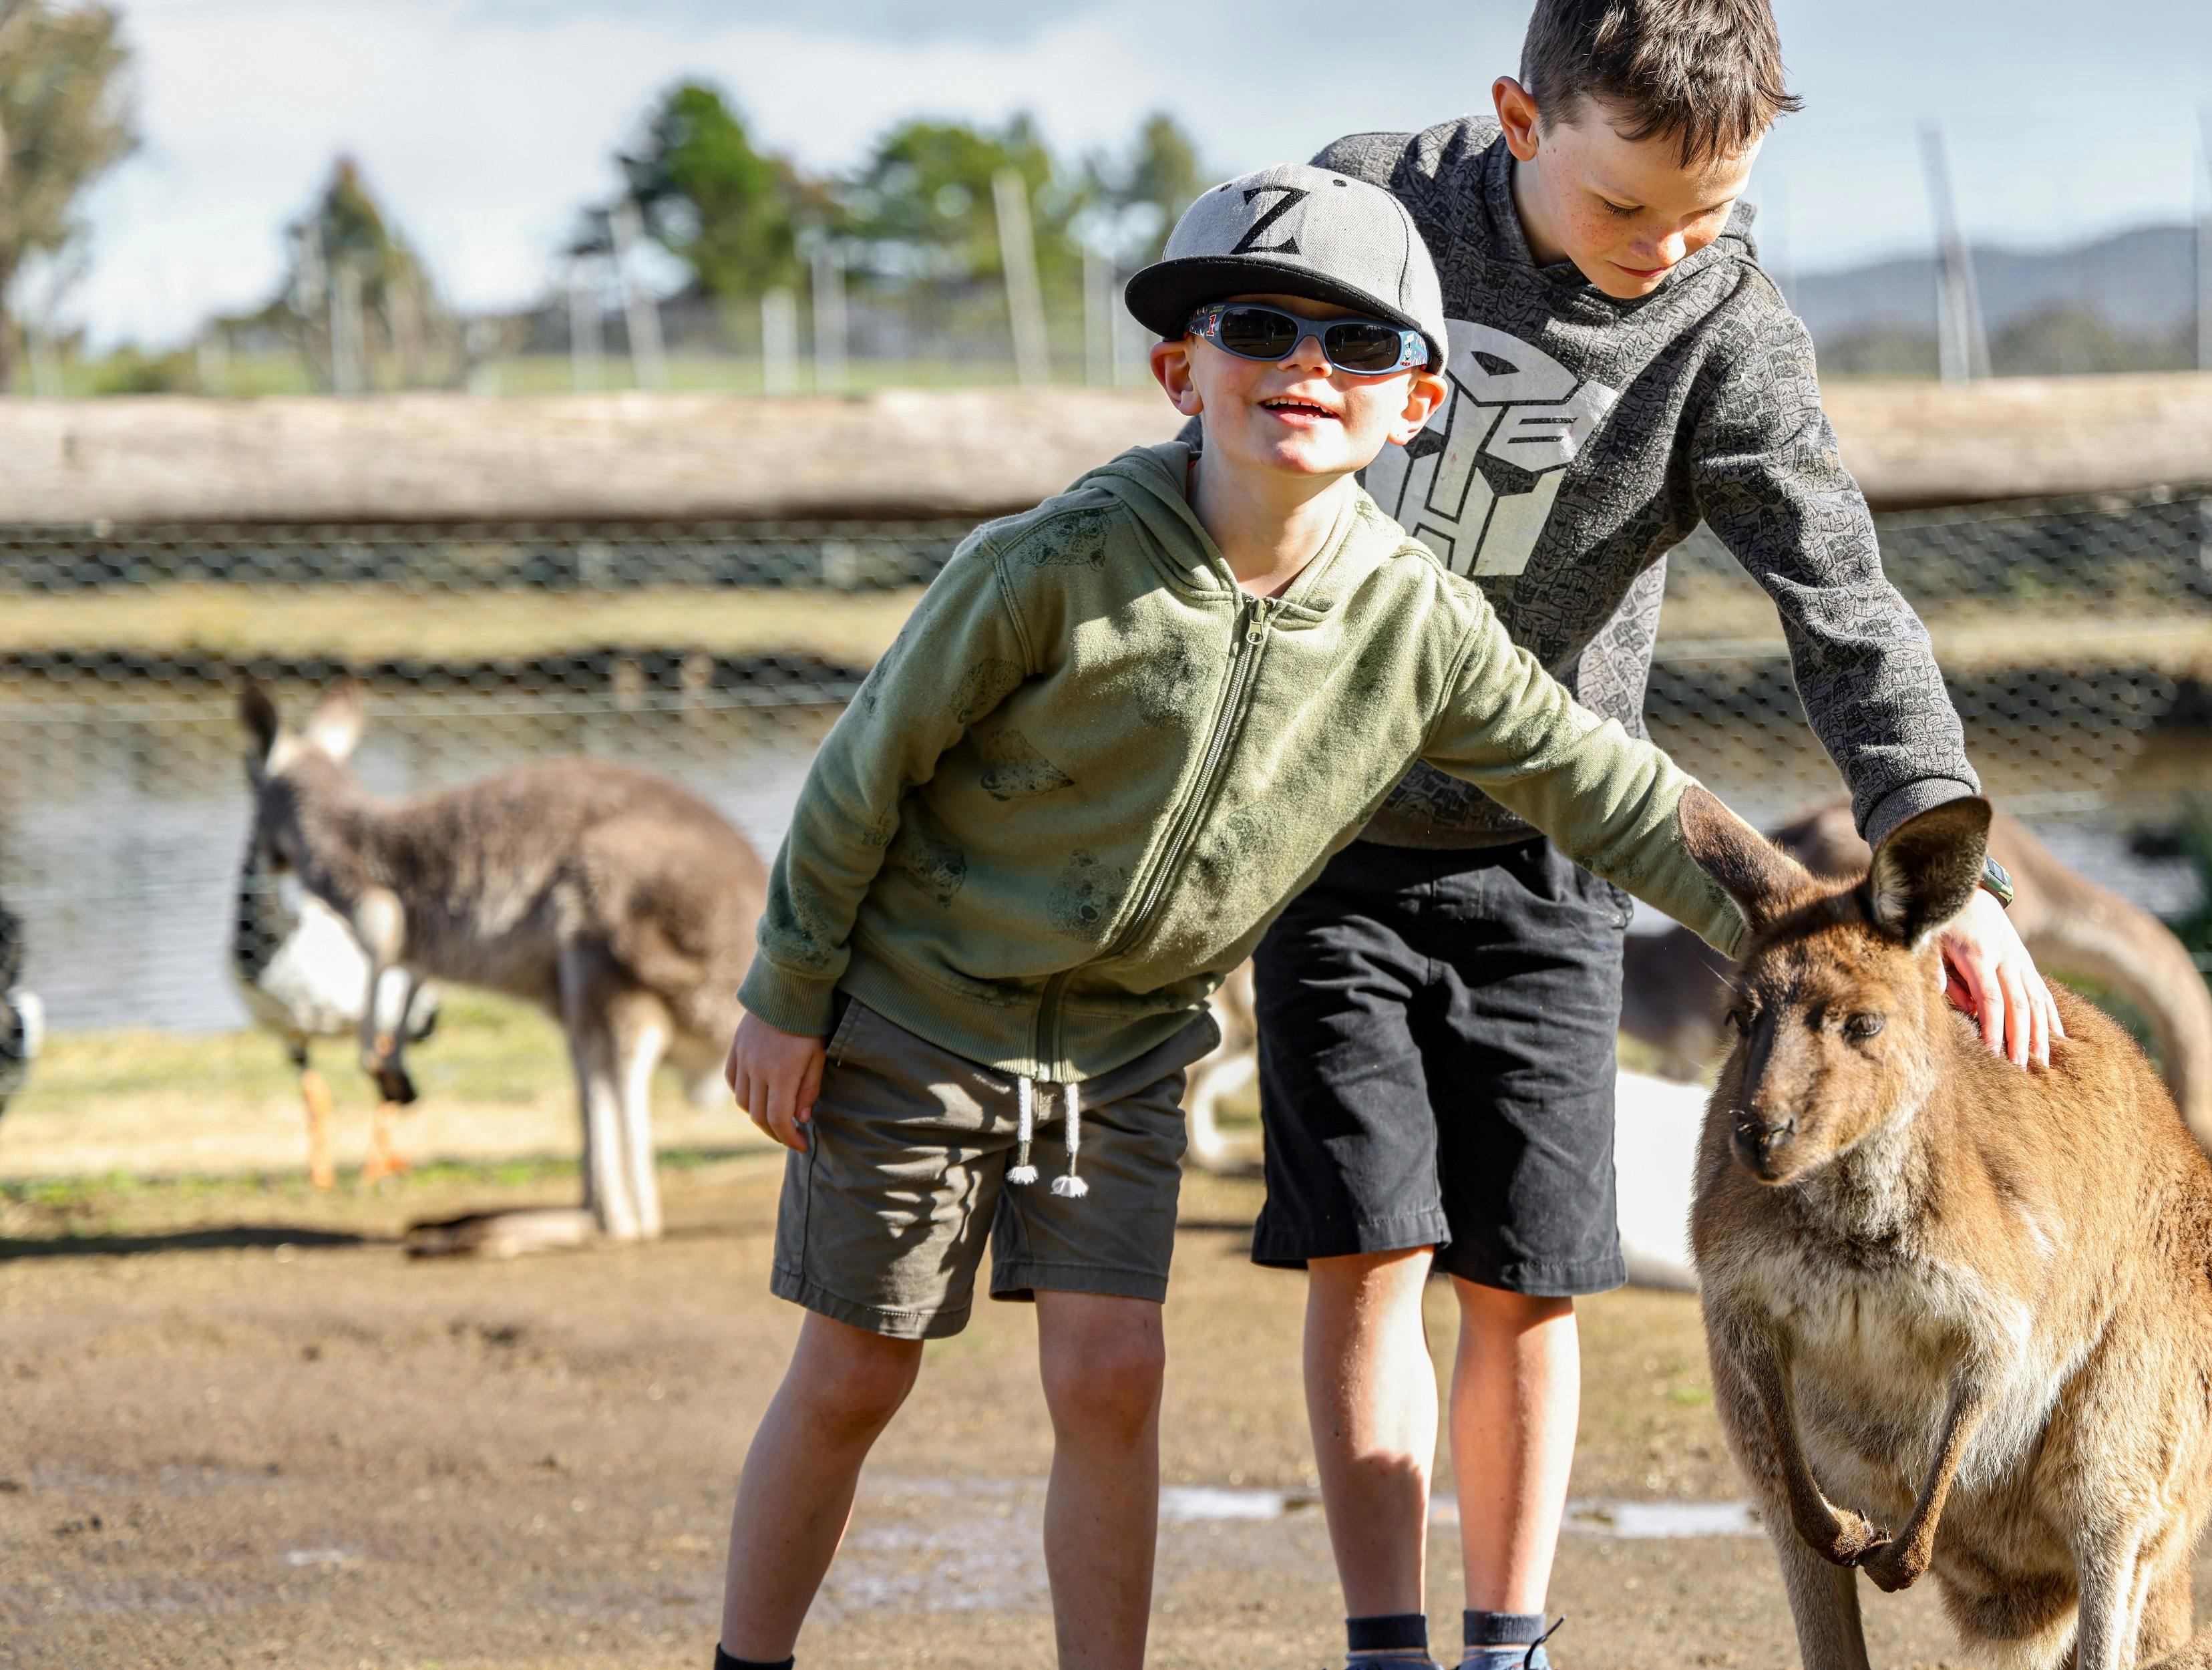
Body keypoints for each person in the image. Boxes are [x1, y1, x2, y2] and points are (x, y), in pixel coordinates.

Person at [709, 164, 1763, 1670]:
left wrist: (1791, 918)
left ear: (1419, 403)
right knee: (857, 1368)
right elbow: (862, 770)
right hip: (923, 1012)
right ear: (1177, 368)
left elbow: (1593, 781)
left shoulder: (1414, 626)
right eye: (1258, 327)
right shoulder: (1049, 567)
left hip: (1128, 1049)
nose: (1303, 370)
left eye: (1357, 347)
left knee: (1113, 1371)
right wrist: (789, 989)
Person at [1244, 4, 2063, 1668]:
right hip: (1319, 830)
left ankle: (1507, 1636)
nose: (1663, 249)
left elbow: (1842, 602)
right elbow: (1218, 439)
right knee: (1369, 1246)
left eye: (1709, 213)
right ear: (1518, 118)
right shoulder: (1367, 208)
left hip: (1559, 834)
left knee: (1531, 1273)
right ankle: (1384, 1635)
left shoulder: (1723, 330)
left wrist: (1936, 863)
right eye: (1625, 212)